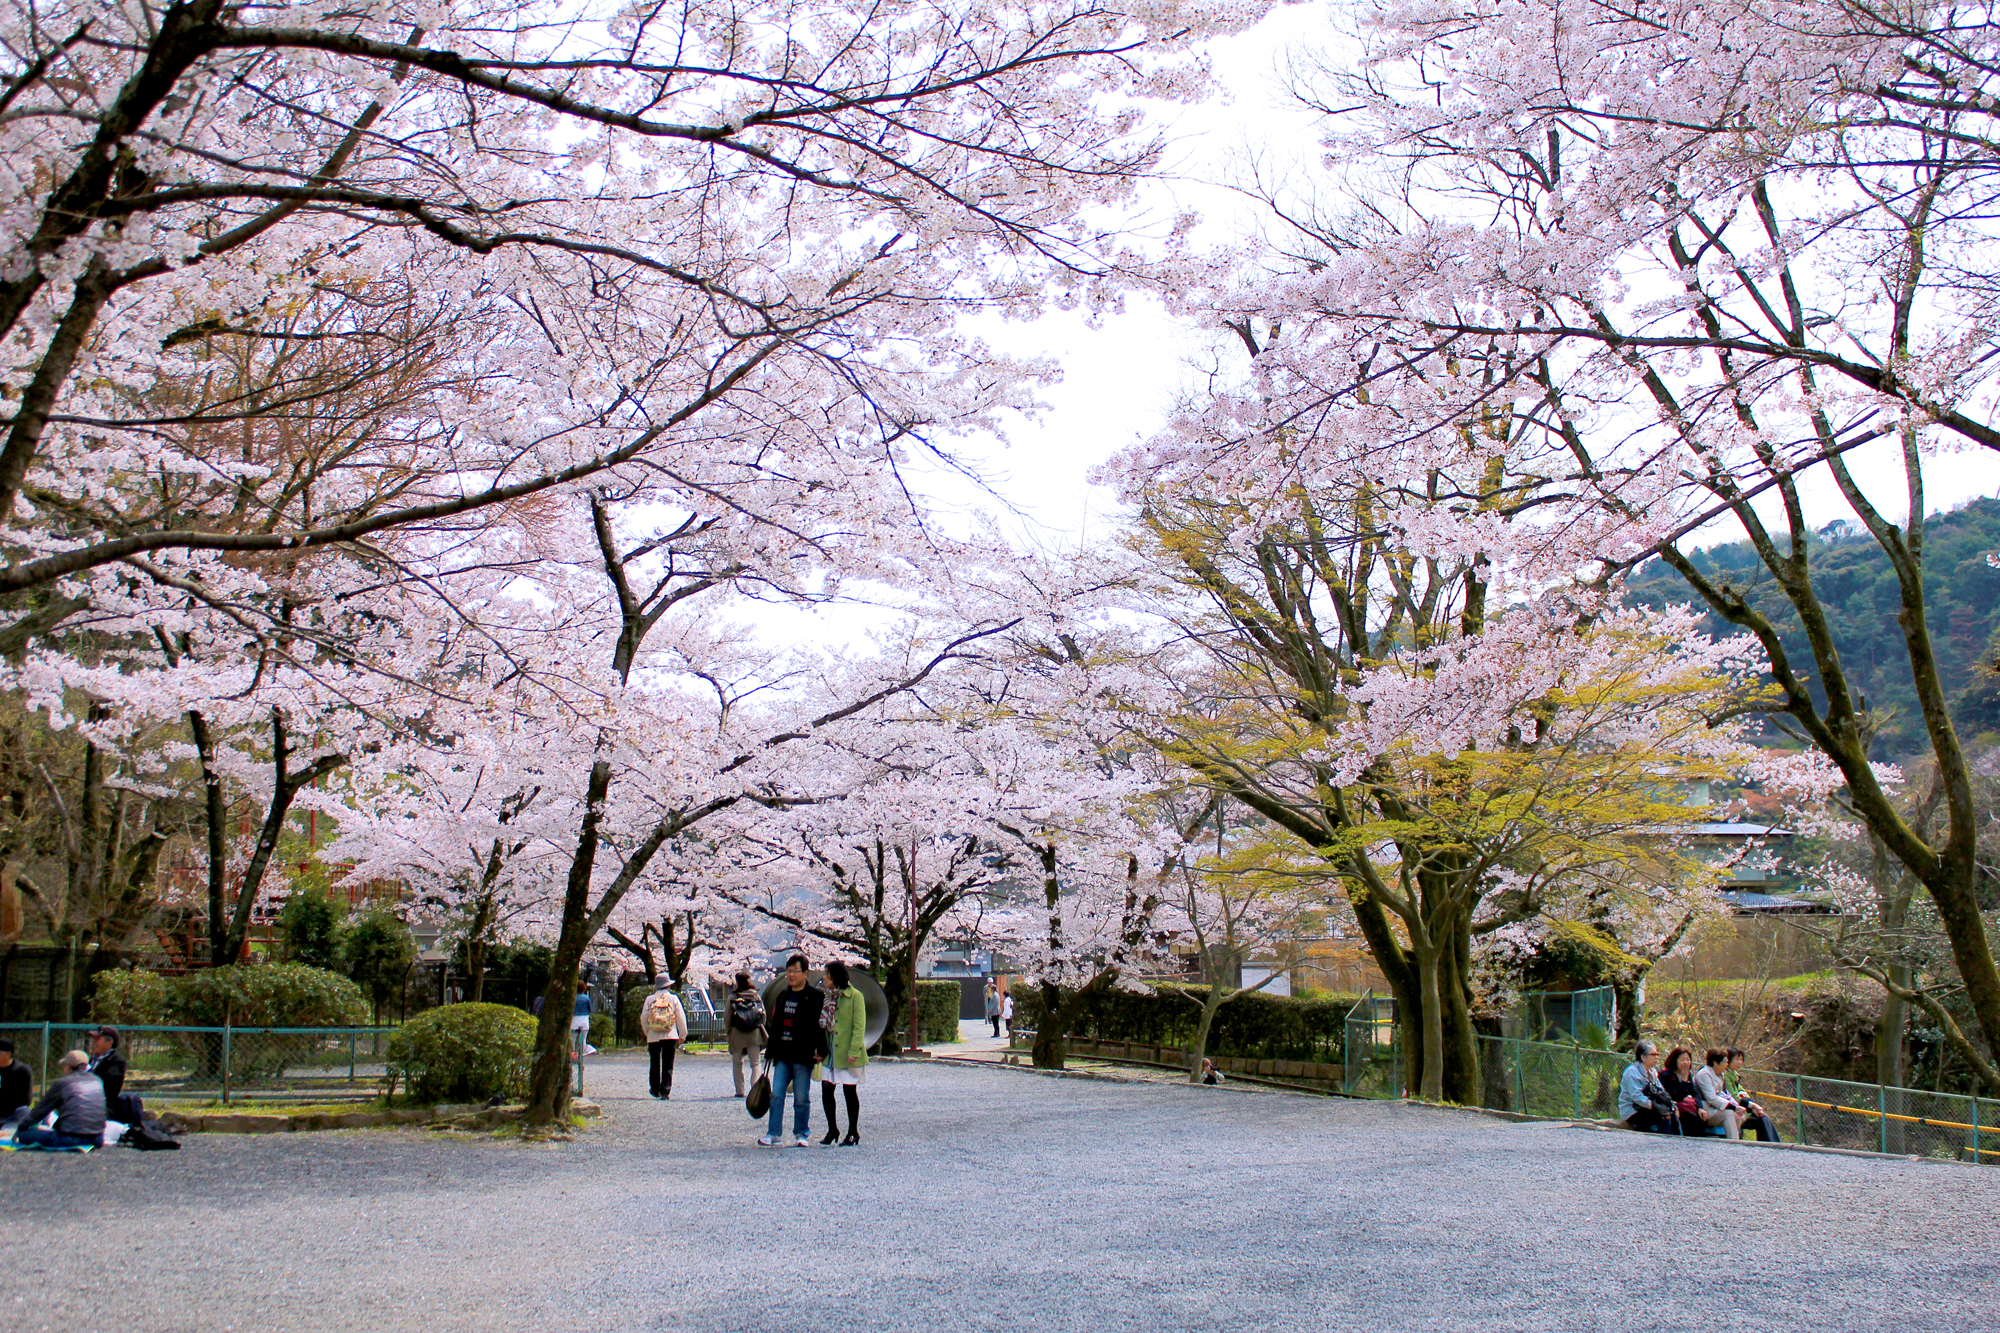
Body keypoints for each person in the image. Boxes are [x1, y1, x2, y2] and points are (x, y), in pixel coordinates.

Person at [759, 954, 826, 1148]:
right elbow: (776, 1024)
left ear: (805, 973)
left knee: (801, 1097)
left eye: (795, 971)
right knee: (776, 1095)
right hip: (782, 1053)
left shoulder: (815, 996)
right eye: (788, 971)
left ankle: (801, 1133)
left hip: (803, 1054)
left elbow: (819, 1025)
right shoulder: (783, 995)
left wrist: (821, 1049)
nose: (791, 975)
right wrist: (770, 1049)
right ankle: (773, 1133)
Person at [13, 1050, 105, 1149]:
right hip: (97, 1138)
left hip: (70, 1138)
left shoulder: (62, 1083)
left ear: (68, 1067)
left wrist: (22, 1126)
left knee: (25, 1135)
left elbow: (40, 1111)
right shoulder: (97, 1081)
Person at [823, 960, 868, 1146]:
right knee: (827, 1089)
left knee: (849, 1090)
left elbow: (859, 1025)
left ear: (835, 977)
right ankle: (832, 1129)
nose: (824, 978)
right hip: (830, 1050)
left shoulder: (855, 996)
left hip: (847, 1050)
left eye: (827, 975)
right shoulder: (827, 997)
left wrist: (854, 1050)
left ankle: (853, 1131)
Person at [640, 977, 688, 1100]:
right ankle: (665, 1091)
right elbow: (680, 1017)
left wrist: (647, 1032)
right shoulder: (673, 998)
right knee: (668, 1064)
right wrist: (682, 1035)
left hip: (653, 1035)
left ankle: (655, 1089)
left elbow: (644, 1018)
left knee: (654, 1063)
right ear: (668, 985)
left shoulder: (650, 999)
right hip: (670, 1035)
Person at [1723, 1048, 1783, 1143]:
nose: (1740, 1063)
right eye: (1737, 1060)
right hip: (1735, 1110)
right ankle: (1771, 1144)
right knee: (1761, 1119)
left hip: (1742, 1108)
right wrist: (1752, 1105)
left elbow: (1743, 1093)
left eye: (1741, 1060)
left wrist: (1752, 1105)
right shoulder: (1726, 1075)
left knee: (1763, 1117)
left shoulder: (1734, 1074)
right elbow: (1734, 1096)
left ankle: (1773, 1144)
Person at [86, 1025, 141, 1125]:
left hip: (104, 1107)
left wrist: (88, 1073)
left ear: (109, 1043)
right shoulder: (91, 1060)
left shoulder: (116, 1061)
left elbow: (107, 1084)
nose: (94, 1043)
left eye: (98, 1039)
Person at [1660, 1046, 1721, 1137]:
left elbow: (1695, 1093)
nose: (1686, 1063)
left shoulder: (1688, 1074)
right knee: (1690, 1118)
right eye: (1682, 1060)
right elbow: (1676, 1096)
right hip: (1674, 1108)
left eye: (1688, 1060)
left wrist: (1700, 1108)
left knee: (1702, 1116)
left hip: (1687, 1107)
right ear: (1675, 1060)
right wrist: (1684, 1080)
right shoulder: (1667, 1075)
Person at [1616, 1039, 1673, 1132]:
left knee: (1671, 1115)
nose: (1656, 1057)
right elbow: (1637, 1097)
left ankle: (1676, 1138)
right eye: (1653, 1055)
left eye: (1657, 1054)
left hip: (1646, 1108)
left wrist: (1668, 1104)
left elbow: (1661, 1090)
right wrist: (1655, 1106)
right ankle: (1665, 1139)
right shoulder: (1632, 1072)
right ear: (1643, 1057)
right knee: (1661, 1117)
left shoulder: (1652, 1072)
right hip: (1632, 1111)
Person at [726, 972, 765, 1098]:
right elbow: (762, 1014)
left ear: (737, 982)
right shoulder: (755, 996)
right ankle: (755, 1090)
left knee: (737, 1063)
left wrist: (729, 1032)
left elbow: (727, 1017)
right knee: (755, 1063)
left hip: (737, 1033)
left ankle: (740, 1091)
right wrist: (759, 1026)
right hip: (754, 1033)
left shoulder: (733, 997)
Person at [1693, 1047, 1744, 1140]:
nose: (1727, 1064)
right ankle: (1734, 1142)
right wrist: (1732, 1107)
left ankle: (1737, 1139)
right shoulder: (1704, 1074)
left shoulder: (1721, 1074)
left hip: (1715, 1107)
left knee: (1736, 1115)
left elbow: (1724, 1093)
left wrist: (1736, 1106)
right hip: (1704, 1109)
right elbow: (1711, 1097)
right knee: (1728, 1113)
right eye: (1725, 1062)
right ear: (1716, 1063)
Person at [0, 1037, 32, 1132]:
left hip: (14, 1114)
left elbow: (25, 1101)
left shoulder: (21, 1070)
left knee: (24, 1111)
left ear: (8, 1054)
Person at [571, 977, 595, 1059]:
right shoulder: (586, 998)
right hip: (584, 1020)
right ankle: (582, 1054)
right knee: (583, 1040)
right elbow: (590, 1009)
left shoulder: (572, 998)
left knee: (572, 1040)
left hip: (574, 1020)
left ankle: (573, 1056)